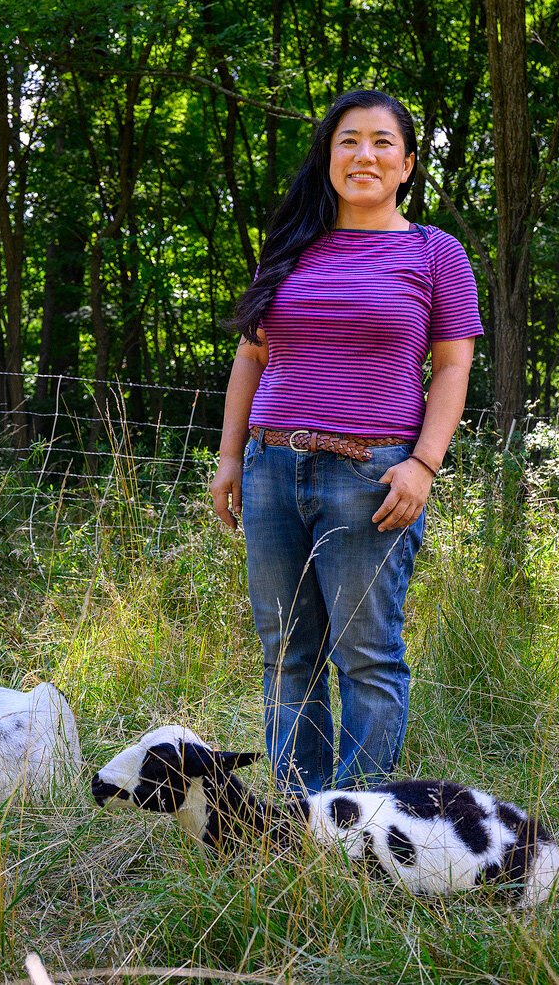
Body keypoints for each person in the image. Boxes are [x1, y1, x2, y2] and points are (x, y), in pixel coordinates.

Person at [208, 89, 481, 794]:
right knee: (286, 655)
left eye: (382, 142)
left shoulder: (434, 251)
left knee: (366, 656)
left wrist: (423, 464)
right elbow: (252, 356)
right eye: (348, 141)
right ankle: (302, 817)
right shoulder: (293, 246)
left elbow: (452, 365)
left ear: (408, 163)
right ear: (329, 157)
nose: (364, 154)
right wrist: (231, 457)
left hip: (374, 475)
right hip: (272, 468)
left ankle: (358, 827)